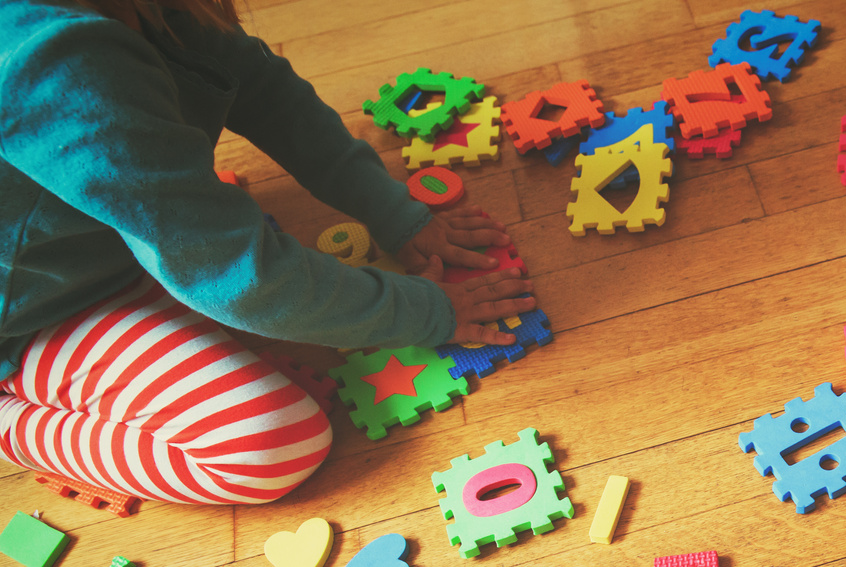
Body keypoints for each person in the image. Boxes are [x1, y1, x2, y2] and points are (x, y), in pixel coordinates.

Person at [0, 0, 535, 504]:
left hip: (107, 240)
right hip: (34, 313)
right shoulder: (47, 58)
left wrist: (394, 213)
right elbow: (246, 281)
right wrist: (426, 312)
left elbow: (261, 90)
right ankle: (14, 425)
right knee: (272, 441)